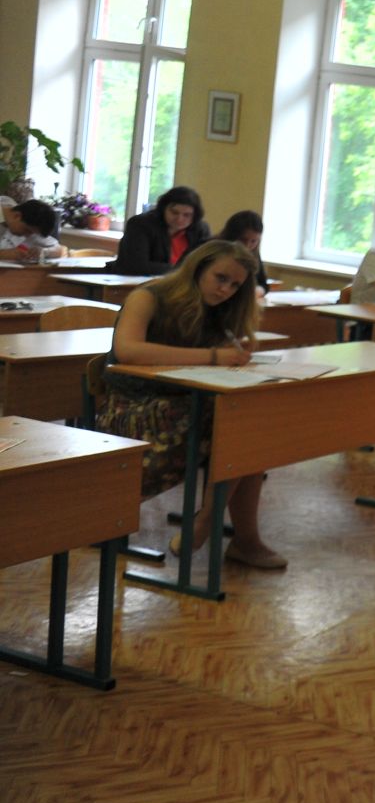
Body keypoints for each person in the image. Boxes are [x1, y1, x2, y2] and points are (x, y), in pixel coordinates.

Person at [97, 239, 286, 569]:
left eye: (235, 285)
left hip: (186, 404)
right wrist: (214, 357)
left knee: (251, 422)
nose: (226, 289)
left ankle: (223, 531)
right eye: (220, 278)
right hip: (133, 409)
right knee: (241, 426)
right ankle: (220, 530)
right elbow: (128, 350)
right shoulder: (149, 296)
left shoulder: (218, 311)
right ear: (198, 268)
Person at [113, 185, 209, 275]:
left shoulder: (200, 230)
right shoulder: (140, 224)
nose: (180, 219)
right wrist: (182, 270)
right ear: (163, 209)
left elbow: (206, 264)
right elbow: (137, 266)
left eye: (187, 215)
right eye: (174, 212)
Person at [216, 209, 271, 294]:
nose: (247, 246)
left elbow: (263, 284)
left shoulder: (254, 253)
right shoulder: (215, 250)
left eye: (254, 241)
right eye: (243, 240)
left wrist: (258, 291)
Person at [2, 197, 66, 260]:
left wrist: (44, 251)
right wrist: (2, 254)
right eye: (27, 230)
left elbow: (59, 249)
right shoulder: (26, 216)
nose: (27, 235)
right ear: (17, 216)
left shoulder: (30, 222)